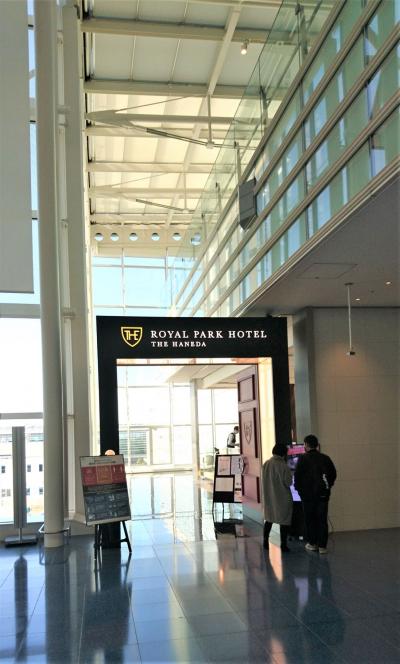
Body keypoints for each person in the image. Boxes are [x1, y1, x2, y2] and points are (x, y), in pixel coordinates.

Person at [294, 434, 337, 554]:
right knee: (322, 520)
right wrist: (328, 486)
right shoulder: (325, 458)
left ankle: (312, 543)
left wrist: (299, 491)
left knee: (310, 519)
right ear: (317, 445)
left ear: (306, 445)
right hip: (323, 494)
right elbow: (333, 474)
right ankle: (322, 546)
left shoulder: (303, 459)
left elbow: (297, 476)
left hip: (307, 496)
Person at [262, 443, 293, 552]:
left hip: (269, 497)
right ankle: (283, 545)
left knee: (269, 519)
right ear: (284, 453)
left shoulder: (266, 463)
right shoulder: (283, 465)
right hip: (282, 498)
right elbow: (288, 482)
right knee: (284, 521)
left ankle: (265, 541)